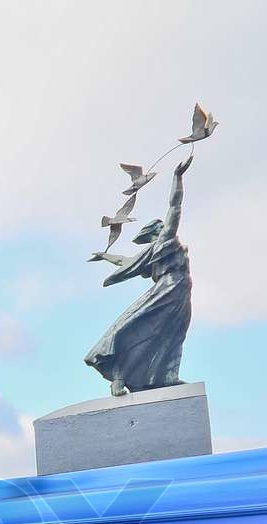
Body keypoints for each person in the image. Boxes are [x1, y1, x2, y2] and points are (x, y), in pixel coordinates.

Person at [86, 154, 194, 395]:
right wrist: (177, 177)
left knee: (173, 332)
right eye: (162, 227)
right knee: (145, 329)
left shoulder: (157, 249)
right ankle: (120, 376)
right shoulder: (165, 241)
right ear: (158, 230)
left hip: (180, 291)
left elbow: (126, 261)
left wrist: (105, 257)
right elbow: (175, 207)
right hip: (169, 288)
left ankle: (163, 376)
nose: (166, 228)